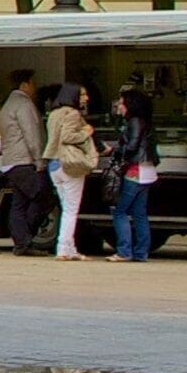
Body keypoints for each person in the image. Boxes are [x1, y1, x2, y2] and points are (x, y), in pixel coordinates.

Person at [0, 70, 49, 255]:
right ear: (24, 85)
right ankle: (24, 240)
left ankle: (22, 241)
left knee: (19, 203)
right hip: (24, 161)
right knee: (44, 197)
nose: (34, 88)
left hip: (11, 161)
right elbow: (32, 135)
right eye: (33, 84)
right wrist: (40, 160)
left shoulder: (7, 105)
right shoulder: (24, 104)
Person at [44, 83, 99, 260]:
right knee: (70, 210)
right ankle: (63, 249)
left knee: (65, 207)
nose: (86, 98)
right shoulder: (73, 114)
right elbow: (67, 137)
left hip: (53, 164)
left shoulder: (54, 114)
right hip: (68, 164)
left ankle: (70, 248)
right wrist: (86, 132)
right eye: (82, 95)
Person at [107, 84, 161, 263]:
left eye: (122, 103)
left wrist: (115, 150)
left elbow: (131, 146)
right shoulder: (145, 121)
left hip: (134, 172)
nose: (119, 106)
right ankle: (141, 252)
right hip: (147, 172)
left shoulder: (135, 122)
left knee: (119, 211)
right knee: (139, 213)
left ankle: (123, 251)